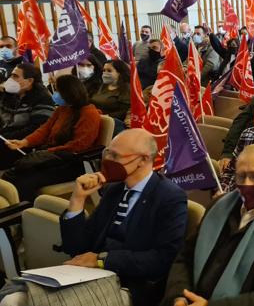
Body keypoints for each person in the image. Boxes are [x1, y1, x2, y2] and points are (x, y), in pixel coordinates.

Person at [161, 143, 254, 306]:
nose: (247, 184)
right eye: (241, 176)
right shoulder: (218, 206)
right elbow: (185, 258)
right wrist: (179, 296)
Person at [60, 129, 188, 306]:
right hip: (90, 275)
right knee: (14, 298)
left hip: (131, 285)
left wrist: (102, 260)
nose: (108, 161)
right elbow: (75, 247)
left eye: (115, 156)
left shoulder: (169, 197)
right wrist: (77, 200)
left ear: (142, 160)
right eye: (107, 153)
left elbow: (163, 259)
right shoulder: (115, 190)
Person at [2, 75, 101, 201]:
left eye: (58, 90)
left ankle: (27, 213)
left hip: (71, 162)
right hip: (52, 157)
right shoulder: (63, 109)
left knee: (24, 182)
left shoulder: (89, 113)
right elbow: (45, 129)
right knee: (11, 174)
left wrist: (47, 152)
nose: (55, 94)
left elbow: (79, 146)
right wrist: (24, 142)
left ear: (69, 92)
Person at [0, 64, 54, 169]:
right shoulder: (8, 95)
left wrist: (5, 137)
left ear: (29, 81)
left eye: (15, 76)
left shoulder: (43, 98)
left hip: (22, 145)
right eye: (11, 75)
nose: (10, 79)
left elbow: (37, 129)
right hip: (5, 139)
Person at [91, 60, 131, 131]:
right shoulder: (101, 86)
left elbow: (124, 111)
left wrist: (107, 116)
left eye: (109, 71)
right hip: (95, 119)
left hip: (111, 125)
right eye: (104, 70)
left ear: (119, 73)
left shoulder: (126, 89)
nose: (105, 73)